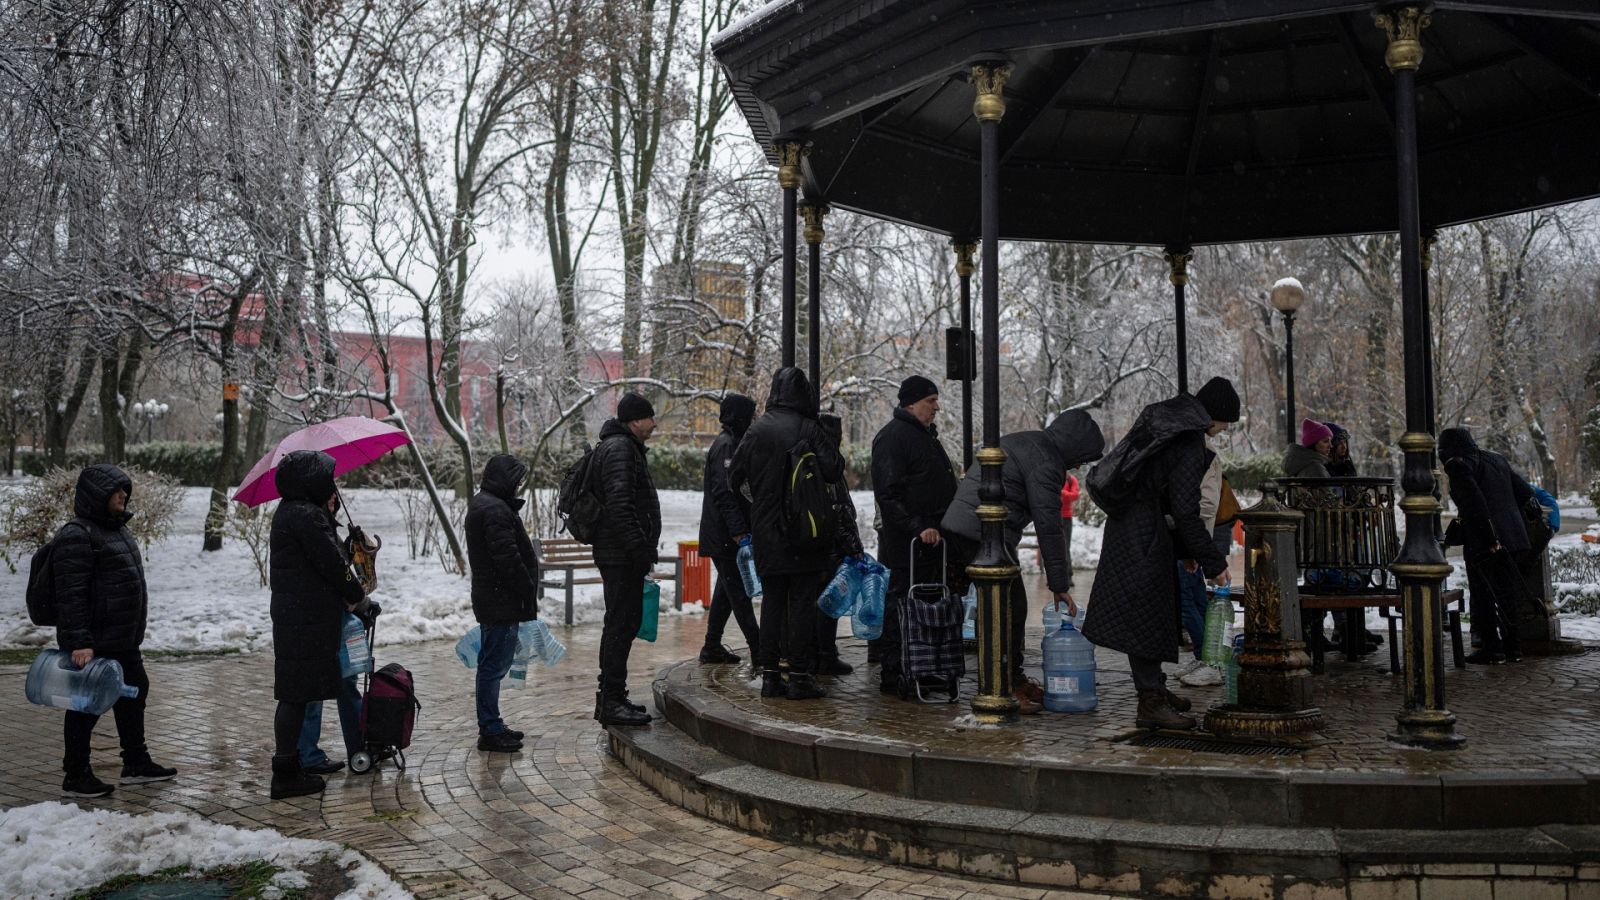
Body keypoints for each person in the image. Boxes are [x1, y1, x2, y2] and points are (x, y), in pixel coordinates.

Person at [1081, 377, 1237, 730]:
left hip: (1133, 527)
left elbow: (1167, 495)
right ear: (1217, 414)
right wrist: (1214, 562)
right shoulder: (1187, 441)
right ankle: (1149, 703)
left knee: (1150, 615)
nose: (1226, 429)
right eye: (1227, 421)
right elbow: (1185, 509)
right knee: (1147, 619)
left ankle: (1155, 690)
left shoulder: (1170, 426)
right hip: (1145, 534)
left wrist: (1185, 551)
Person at [942, 410, 1105, 714]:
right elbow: (1049, 525)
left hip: (975, 528)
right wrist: (1058, 584)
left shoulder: (1031, 442)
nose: (1081, 466)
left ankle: (1011, 677)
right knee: (1008, 608)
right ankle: (1004, 684)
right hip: (982, 531)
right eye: (1082, 458)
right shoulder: (1046, 462)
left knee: (1006, 606)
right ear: (1074, 446)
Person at [53, 464, 177, 798]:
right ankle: (75, 774)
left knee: (133, 693)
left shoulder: (115, 529)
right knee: (86, 706)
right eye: (117, 491)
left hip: (122, 638)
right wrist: (80, 642)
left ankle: (136, 762)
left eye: (125, 490)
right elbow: (71, 594)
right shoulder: (76, 535)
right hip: (94, 641)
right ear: (98, 495)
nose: (124, 495)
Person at [730, 367, 845, 700]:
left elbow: (733, 479)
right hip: (804, 531)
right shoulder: (808, 427)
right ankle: (799, 676)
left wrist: (760, 503)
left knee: (773, 603)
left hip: (767, 532)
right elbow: (834, 469)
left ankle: (770, 677)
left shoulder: (756, 430)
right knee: (801, 605)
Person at [269, 450, 369, 800]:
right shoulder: (303, 515)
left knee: (296, 694)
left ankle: (291, 766)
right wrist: (360, 599)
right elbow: (332, 565)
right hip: (304, 618)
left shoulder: (296, 512)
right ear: (311, 481)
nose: (332, 484)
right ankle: (285, 773)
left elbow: (321, 557)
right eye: (326, 478)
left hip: (300, 616)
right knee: (297, 696)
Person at [870, 375, 959, 696]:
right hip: (910, 543)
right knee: (901, 601)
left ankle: (924, 666)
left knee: (925, 603)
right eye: (930, 401)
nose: (937, 407)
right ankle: (895, 670)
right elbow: (888, 493)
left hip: (931, 542)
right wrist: (918, 526)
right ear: (911, 403)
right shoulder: (895, 438)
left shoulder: (923, 436)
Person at [590, 393, 662, 726]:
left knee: (621, 624)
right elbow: (621, 507)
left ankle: (612, 696)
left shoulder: (621, 446)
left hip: (621, 554)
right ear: (635, 421)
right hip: (620, 557)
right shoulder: (620, 449)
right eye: (649, 417)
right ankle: (611, 701)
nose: (654, 422)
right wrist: (639, 550)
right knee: (620, 625)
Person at [1439, 426, 1535, 665]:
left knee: (1483, 593)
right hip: (1514, 537)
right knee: (1506, 593)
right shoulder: (1496, 459)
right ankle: (1514, 648)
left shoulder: (1458, 465)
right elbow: (1524, 492)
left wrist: (1490, 538)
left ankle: (1493, 649)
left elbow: (1474, 502)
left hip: (1485, 538)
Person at [465, 454, 541, 752]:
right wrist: (526, 588)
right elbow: (507, 558)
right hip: (500, 599)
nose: (520, 485)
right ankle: (490, 729)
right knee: (493, 666)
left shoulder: (489, 504)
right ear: (504, 480)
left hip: (496, 598)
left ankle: (493, 723)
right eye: (517, 479)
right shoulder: (494, 510)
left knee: (494, 664)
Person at [697, 393, 760, 665]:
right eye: (750, 415)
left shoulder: (734, 443)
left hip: (727, 535)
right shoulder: (726, 446)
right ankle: (759, 649)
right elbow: (724, 493)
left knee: (727, 590)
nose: (754, 420)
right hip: (725, 536)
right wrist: (739, 532)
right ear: (740, 417)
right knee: (738, 592)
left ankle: (711, 646)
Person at [818, 412, 865, 674]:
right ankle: (825, 654)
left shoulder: (813, 461)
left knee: (819, 601)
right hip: (830, 548)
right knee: (828, 602)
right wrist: (853, 546)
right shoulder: (830, 467)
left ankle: (820, 651)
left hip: (817, 546)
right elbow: (840, 512)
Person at [1059, 472, 1081, 584]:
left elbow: (1076, 495)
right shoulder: (1054, 477)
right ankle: (1055, 577)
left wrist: (1062, 493)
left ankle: (1068, 576)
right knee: (1053, 546)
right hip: (1053, 516)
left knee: (1065, 547)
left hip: (1066, 517)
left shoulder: (1071, 479)